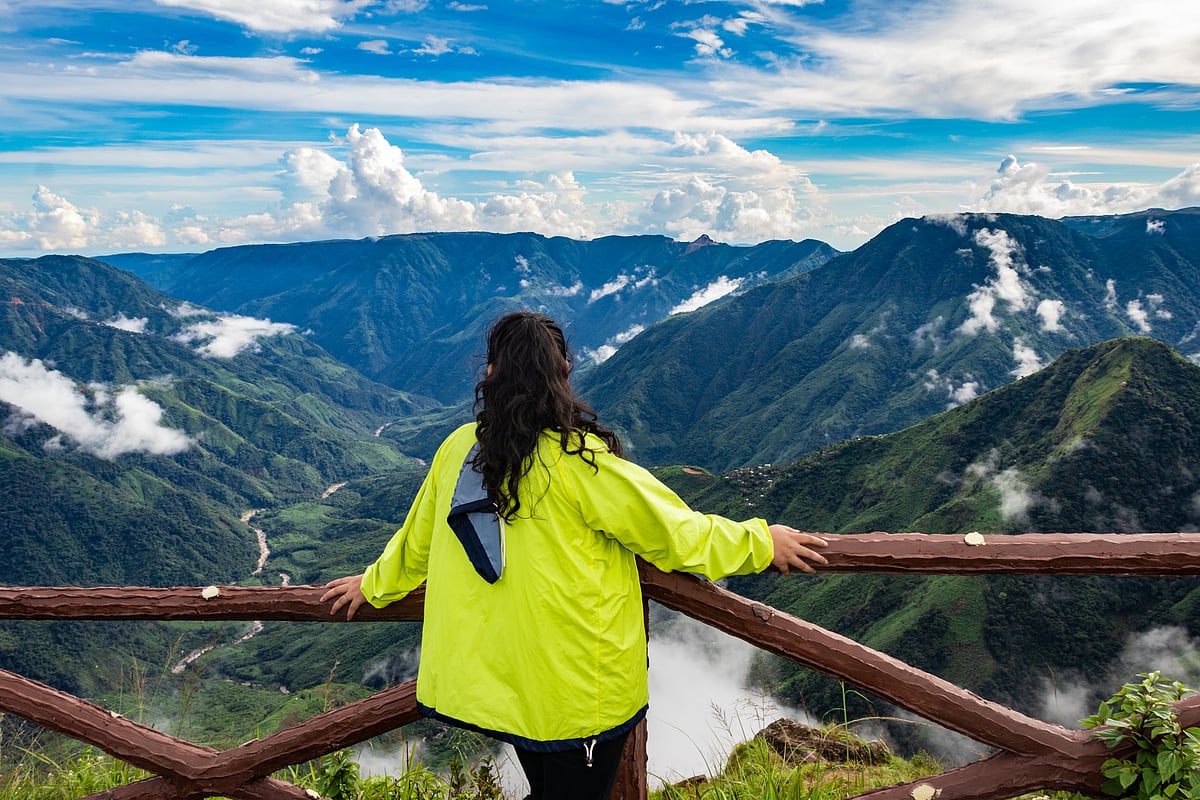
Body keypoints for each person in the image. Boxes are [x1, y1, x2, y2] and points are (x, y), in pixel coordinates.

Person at [322, 311, 828, 800]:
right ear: (562, 373)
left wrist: (373, 586)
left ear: (492, 373)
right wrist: (763, 542)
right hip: (573, 693)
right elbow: (680, 536)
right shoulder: (581, 463)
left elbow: (415, 544)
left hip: (507, 684)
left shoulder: (459, 449)